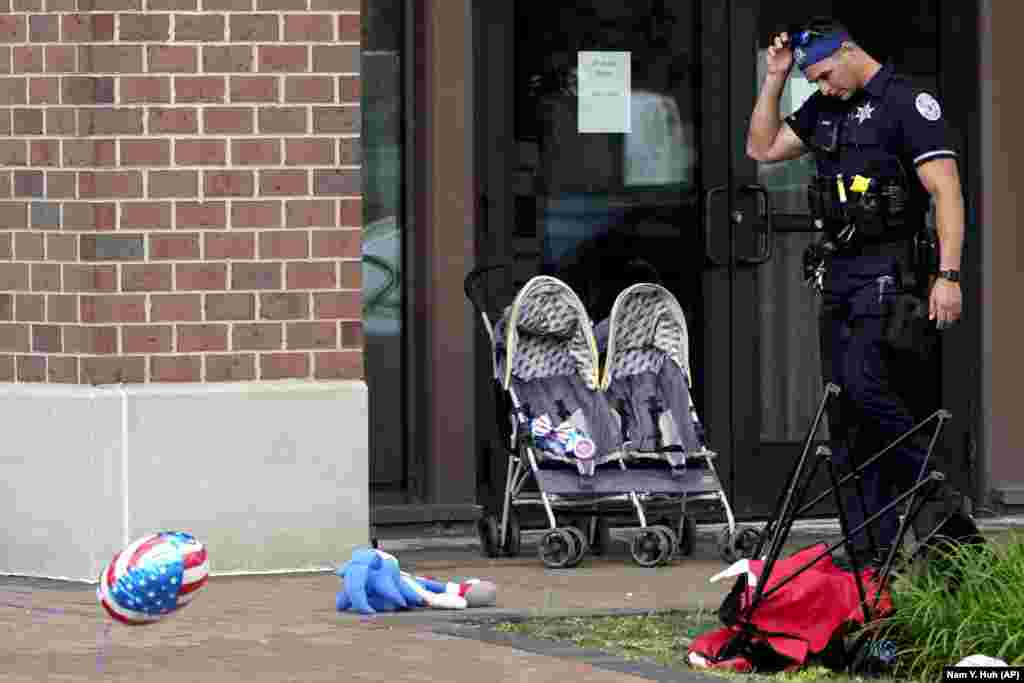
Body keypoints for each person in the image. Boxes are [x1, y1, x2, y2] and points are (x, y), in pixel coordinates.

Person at [746, 18, 967, 566]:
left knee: (870, 392)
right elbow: (763, 147)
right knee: (844, 419)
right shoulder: (824, 108)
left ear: (848, 51)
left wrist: (950, 274)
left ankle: (937, 491)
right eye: (813, 80)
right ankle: (869, 553)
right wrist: (775, 79)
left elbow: (947, 192)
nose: (823, 87)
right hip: (838, 276)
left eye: (824, 74)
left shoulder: (907, 103)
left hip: (888, 274)